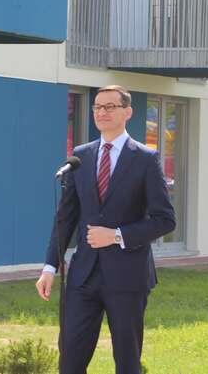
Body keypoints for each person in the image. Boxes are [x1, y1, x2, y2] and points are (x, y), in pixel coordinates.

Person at [36, 85, 176, 374]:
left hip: (128, 276)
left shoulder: (145, 159)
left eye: (110, 106)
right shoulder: (80, 157)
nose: (102, 112)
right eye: (97, 107)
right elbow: (65, 218)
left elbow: (165, 219)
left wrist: (116, 235)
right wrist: (50, 267)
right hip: (83, 276)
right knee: (70, 361)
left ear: (128, 112)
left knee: (127, 363)